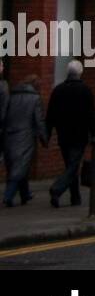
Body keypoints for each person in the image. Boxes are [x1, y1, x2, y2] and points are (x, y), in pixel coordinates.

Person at [45, 60, 95, 207]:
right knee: (73, 166)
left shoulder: (58, 90)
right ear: (80, 73)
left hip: (63, 135)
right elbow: (91, 114)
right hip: (79, 135)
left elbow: (50, 115)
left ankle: (75, 197)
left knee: (71, 164)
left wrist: (47, 134)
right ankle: (57, 189)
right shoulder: (86, 90)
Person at [3, 75, 46, 207]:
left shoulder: (11, 96)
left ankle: (25, 194)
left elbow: (4, 114)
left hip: (9, 134)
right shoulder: (35, 99)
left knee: (19, 166)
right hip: (25, 136)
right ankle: (8, 195)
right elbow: (39, 121)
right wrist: (44, 137)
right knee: (20, 167)